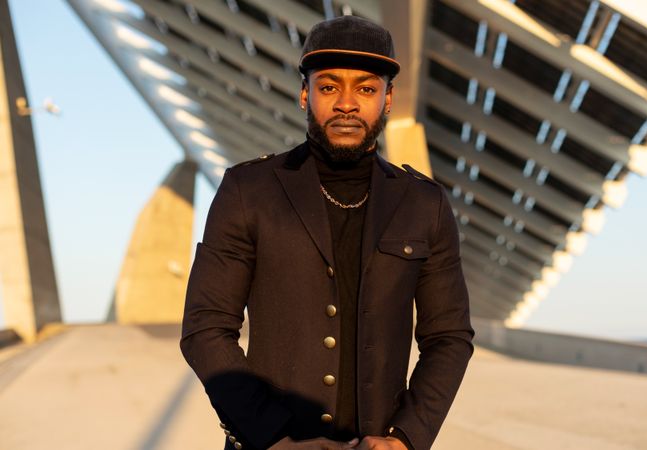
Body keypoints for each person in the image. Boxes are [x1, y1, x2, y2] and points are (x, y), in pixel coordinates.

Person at [180, 15, 474, 450]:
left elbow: (449, 336)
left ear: (388, 99)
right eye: (329, 86)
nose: (347, 104)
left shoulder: (424, 204)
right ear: (305, 94)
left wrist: (406, 438)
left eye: (367, 89)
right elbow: (205, 326)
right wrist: (270, 436)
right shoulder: (248, 190)